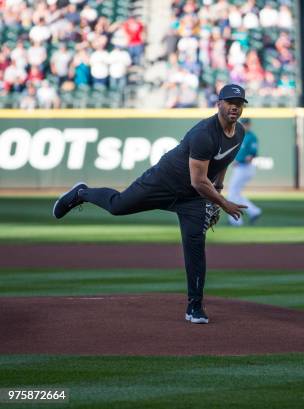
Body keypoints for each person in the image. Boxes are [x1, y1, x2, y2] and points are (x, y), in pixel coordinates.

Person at [52, 84, 249, 324]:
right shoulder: (203, 134)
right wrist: (224, 203)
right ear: (218, 103)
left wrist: (217, 190)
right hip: (163, 182)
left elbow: (222, 163)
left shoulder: (239, 133)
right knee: (118, 206)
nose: (234, 107)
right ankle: (81, 193)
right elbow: (198, 181)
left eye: (239, 104)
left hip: (192, 199)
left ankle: (195, 307)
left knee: (195, 245)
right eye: (230, 102)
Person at [227, 118, 262, 226]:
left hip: (245, 168)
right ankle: (254, 211)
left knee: (232, 194)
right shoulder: (239, 135)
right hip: (240, 168)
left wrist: (240, 160)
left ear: (249, 125)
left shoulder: (251, 137)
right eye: (243, 124)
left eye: (246, 124)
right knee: (235, 194)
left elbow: (251, 155)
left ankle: (235, 221)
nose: (244, 126)